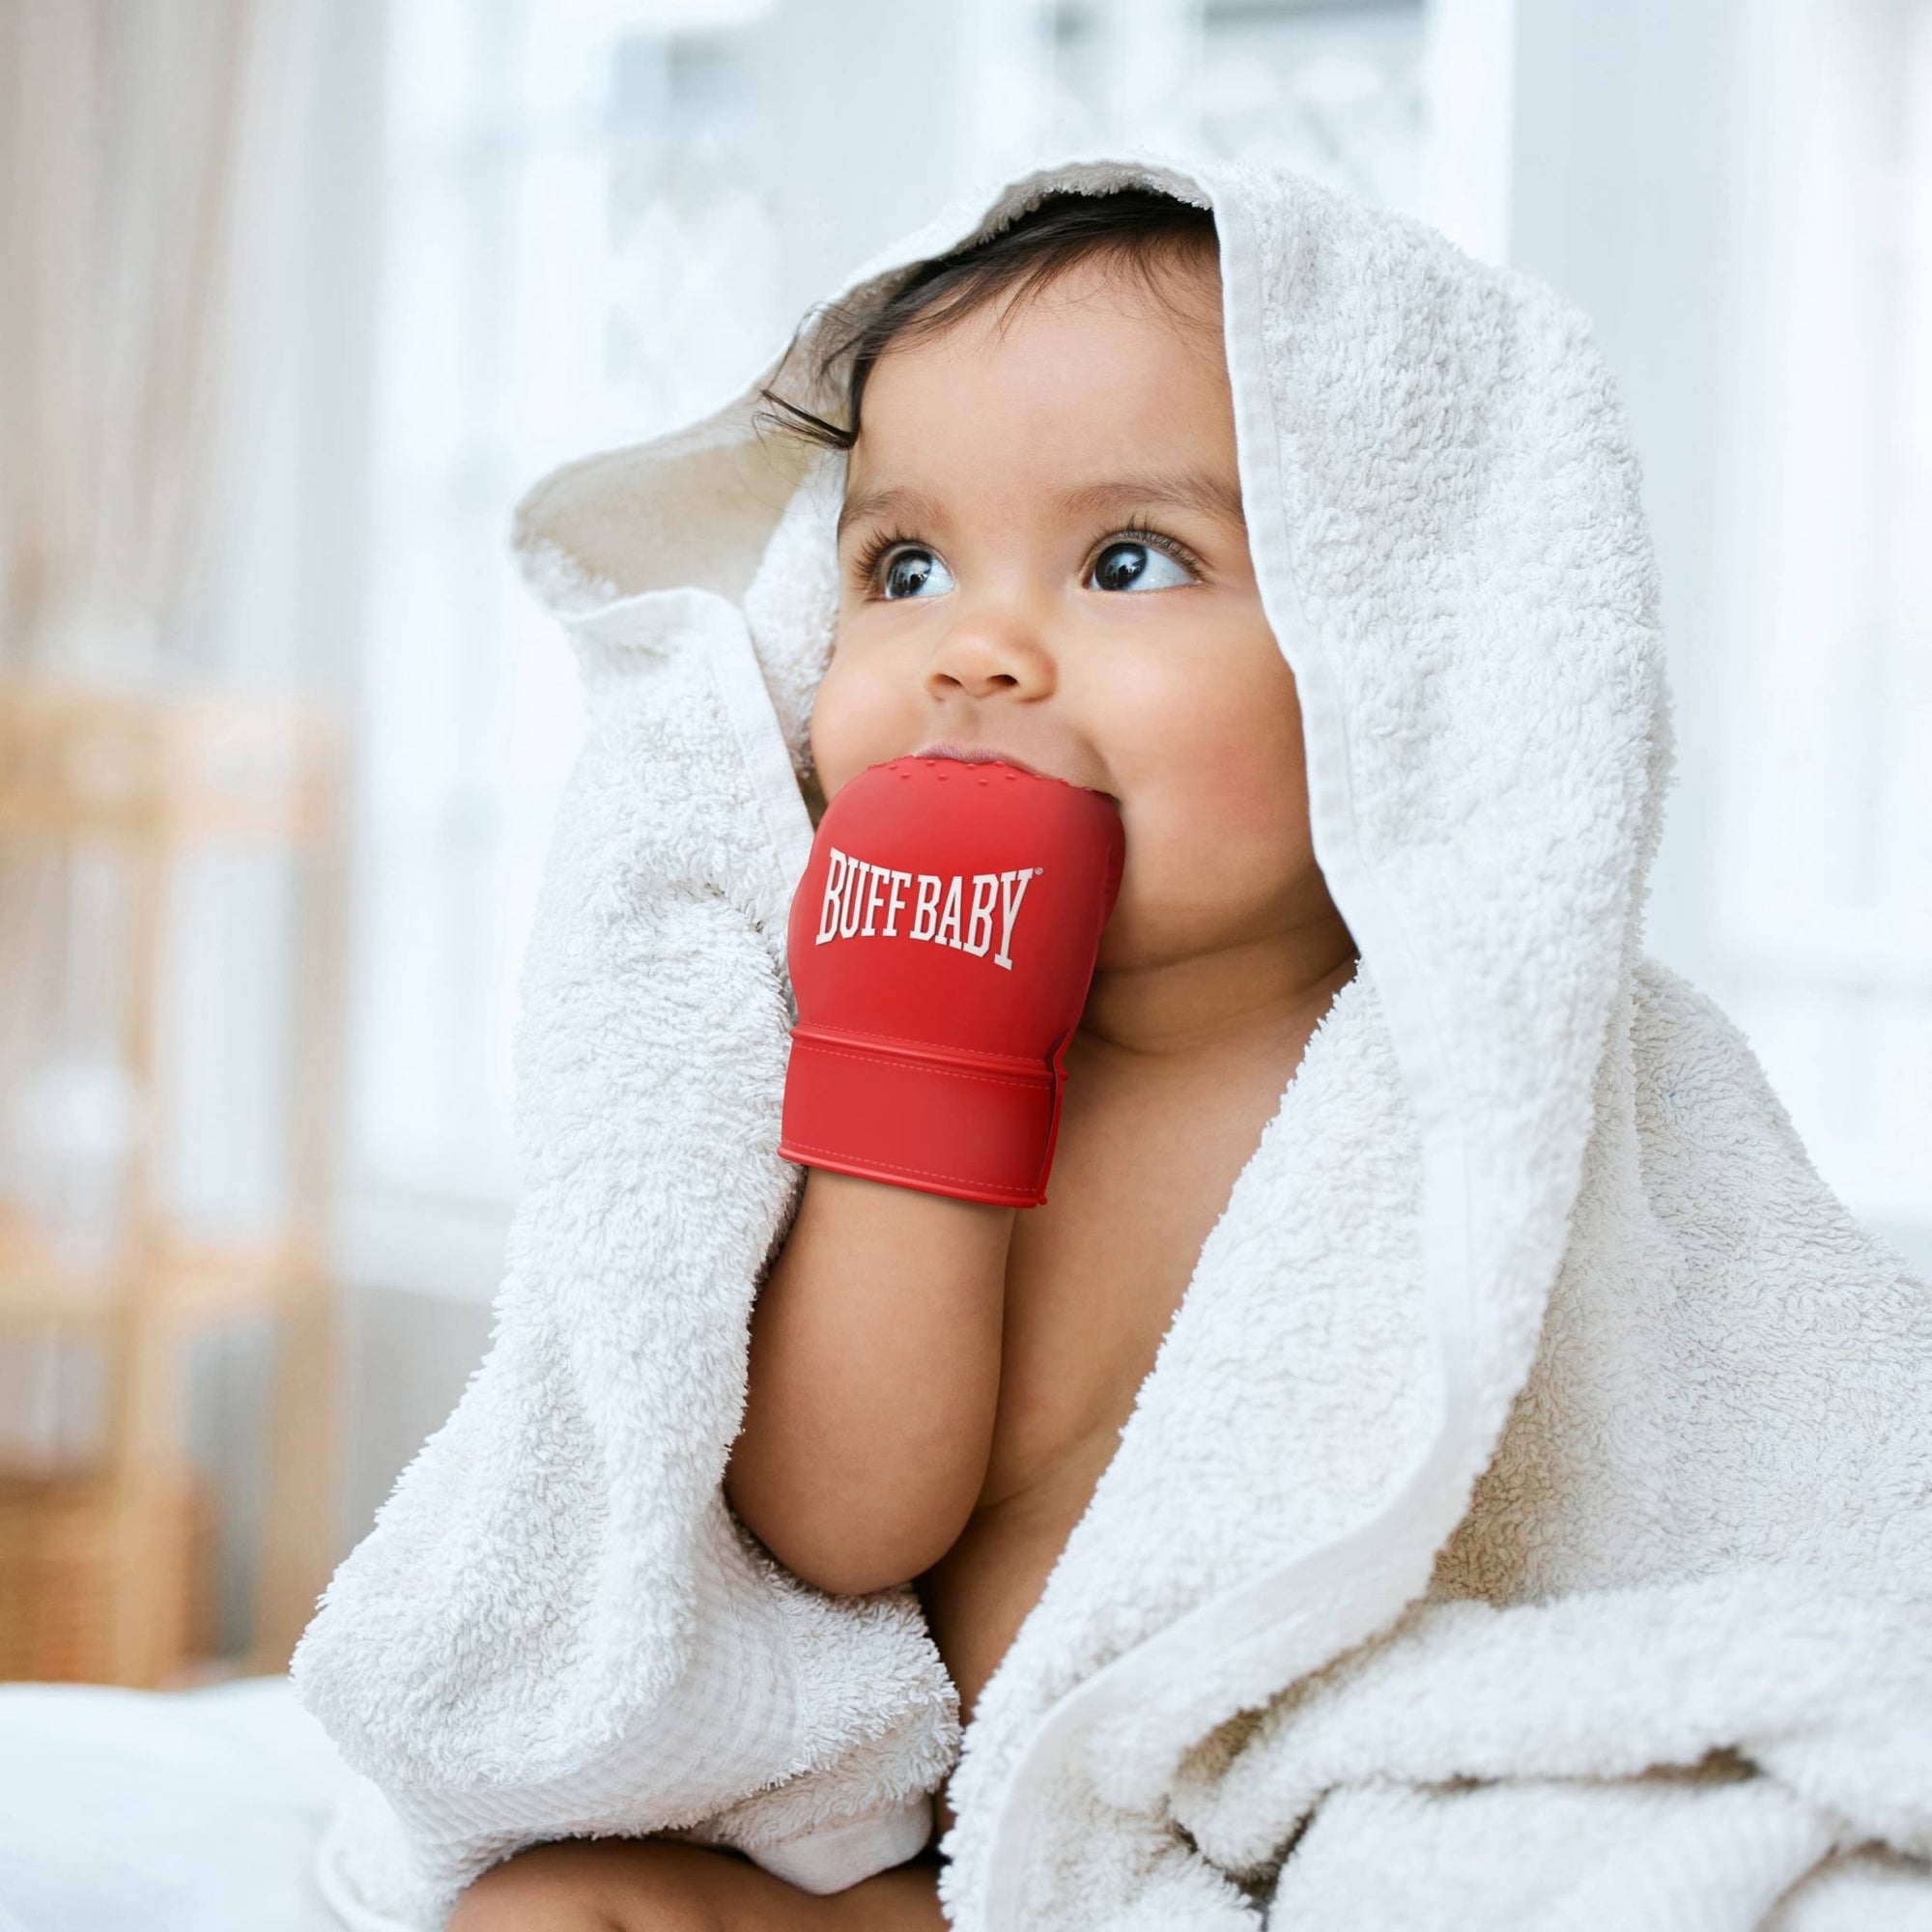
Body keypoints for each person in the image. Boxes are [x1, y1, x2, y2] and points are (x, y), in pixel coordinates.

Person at [298, 162, 1932, 1932]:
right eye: (905, 566)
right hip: (938, 1861)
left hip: (1298, 1832)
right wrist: (925, 1038)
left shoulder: (1493, 1086)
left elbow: (1754, 1466)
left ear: (1389, 643)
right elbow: (842, 1527)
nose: (977, 651)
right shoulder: (855, 1021)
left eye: (1128, 561)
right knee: (555, 1908)